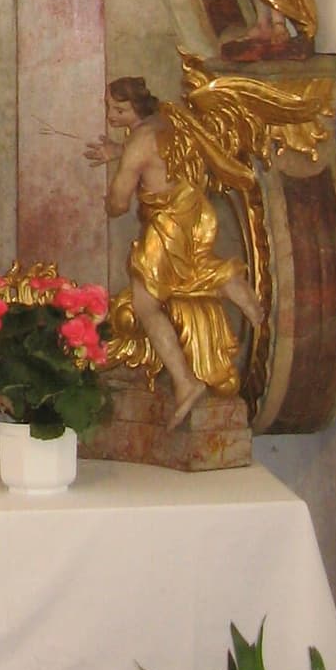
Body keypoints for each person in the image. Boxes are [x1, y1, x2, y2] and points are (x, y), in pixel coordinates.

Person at [87, 75, 263, 427]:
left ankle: (185, 382)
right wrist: (119, 152)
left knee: (145, 304)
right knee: (197, 267)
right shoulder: (168, 120)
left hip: (167, 225)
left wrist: (109, 198)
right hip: (195, 212)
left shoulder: (138, 142)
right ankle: (252, 306)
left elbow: (119, 202)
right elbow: (161, 154)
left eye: (118, 109)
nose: (111, 115)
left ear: (135, 107)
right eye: (109, 107)